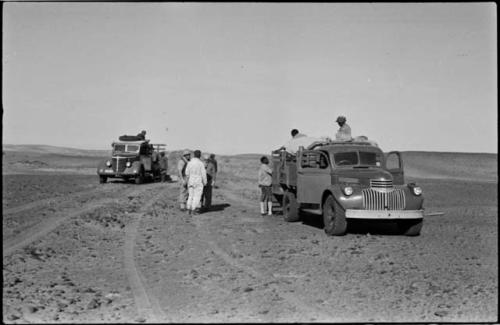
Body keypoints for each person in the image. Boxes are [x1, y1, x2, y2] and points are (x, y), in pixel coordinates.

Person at [185, 150, 207, 215]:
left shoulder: (190, 163)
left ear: (194, 155)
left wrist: (188, 179)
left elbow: (187, 173)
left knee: (190, 195)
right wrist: (205, 182)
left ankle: (188, 208)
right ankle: (193, 209)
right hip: (198, 180)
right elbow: (203, 174)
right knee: (197, 196)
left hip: (191, 180)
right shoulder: (201, 163)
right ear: (200, 155)